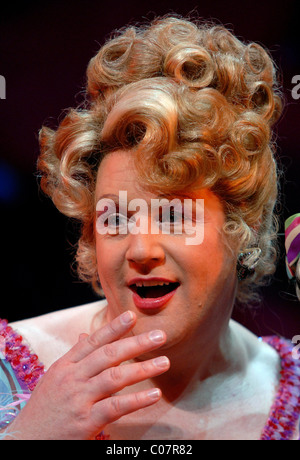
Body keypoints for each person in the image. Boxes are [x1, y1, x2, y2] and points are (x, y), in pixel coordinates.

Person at [1, 15, 299, 440]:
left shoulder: (293, 397)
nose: (140, 249)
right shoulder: (5, 374)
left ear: (241, 227)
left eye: (174, 216)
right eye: (115, 219)